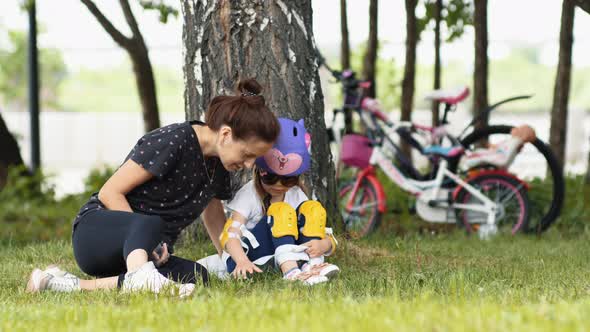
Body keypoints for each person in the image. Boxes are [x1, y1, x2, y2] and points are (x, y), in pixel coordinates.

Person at [26, 79, 280, 296]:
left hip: (146, 253)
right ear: (225, 135)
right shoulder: (175, 140)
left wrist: (230, 261)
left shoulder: (221, 165)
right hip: (98, 235)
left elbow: (212, 214)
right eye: (247, 155)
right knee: (150, 222)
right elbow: (109, 193)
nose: (248, 165)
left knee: (196, 276)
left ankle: (65, 284)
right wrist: (148, 243)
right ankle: (141, 274)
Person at [199, 118, 339, 285]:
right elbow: (230, 234)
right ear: (259, 171)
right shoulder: (249, 194)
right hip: (250, 257)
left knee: (312, 209)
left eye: (288, 179)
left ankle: (314, 266)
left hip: (287, 252)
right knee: (281, 210)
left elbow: (314, 226)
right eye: (271, 178)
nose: (279, 186)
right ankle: (291, 272)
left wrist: (325, 245)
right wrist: (241, 261)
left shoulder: (296, 193)